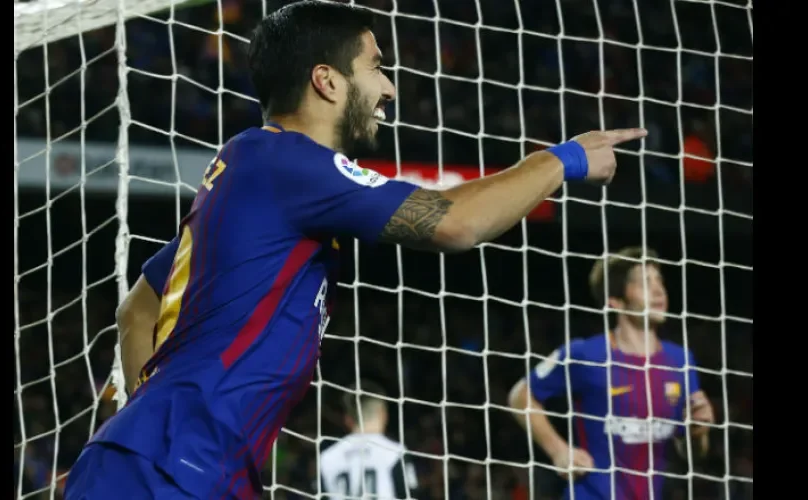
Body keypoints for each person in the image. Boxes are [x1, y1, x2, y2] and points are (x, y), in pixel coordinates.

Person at [65, 0, 646, 497]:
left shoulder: (252, 179)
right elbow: (455, 222)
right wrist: (561, 159)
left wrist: (144, 425)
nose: (390, 87)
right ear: (327, 80)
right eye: (376, 67)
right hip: (170, 470)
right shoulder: (287, 161)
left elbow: (137, 311)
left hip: (181, 465)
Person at [507, 246, 715, 500]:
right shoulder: (586, 353)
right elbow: (520, 395)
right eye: (644, 283)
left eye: (659, 281)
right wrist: (559, 450)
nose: (659, 291)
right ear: (614, 301)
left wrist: (698, 432)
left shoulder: (680, 359)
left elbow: (691, 454)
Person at [319, 382, 418, 498]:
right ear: (383, 414)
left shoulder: (328, 456)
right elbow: (410, 495)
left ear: (347, 419)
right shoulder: (395, 452)